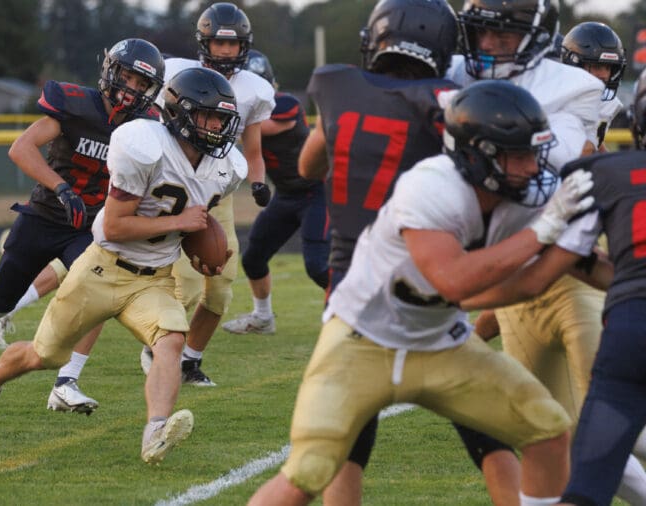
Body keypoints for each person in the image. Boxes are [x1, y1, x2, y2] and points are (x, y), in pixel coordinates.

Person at [248, 79, 599, 506]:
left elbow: (539, 278)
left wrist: (580, 244)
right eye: (519, 155)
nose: (532, 168)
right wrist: (544, 233)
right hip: (362, 342)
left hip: (441, 343)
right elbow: (452, 280)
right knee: (307, 473)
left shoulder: (522, 199)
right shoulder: (432, 185)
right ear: (478, 155)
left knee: (548, 431)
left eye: (534, 152)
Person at [0, 66, 247, 466]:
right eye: (207, 116)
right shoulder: (143, 143)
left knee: (171, 341)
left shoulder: (226, 167)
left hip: (154, 279)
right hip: (102, 269)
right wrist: (180, 223)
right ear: (179, 113)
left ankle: (155, 432)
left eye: (221, 119)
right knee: (44, 356)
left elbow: (193, 223)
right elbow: (115, 225)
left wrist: (202, 254)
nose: (216, 128)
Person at [446, 3, 646, 505]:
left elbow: (584, 180)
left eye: (606, 68)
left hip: (571, 266)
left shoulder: (577, 99)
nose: (598, 76)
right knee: (550, 431)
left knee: (615, 413)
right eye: (591, 64)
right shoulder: (471, 84)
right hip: (526, 266)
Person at [0, 39, 165, 408]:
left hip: (90, 227)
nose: (132, 89)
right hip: (44, 216)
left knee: (99, 294)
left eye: (141, 84)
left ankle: (67, 381)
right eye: (128, 77)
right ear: (111, 71)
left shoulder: (146, 125)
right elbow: (21, 147)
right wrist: (61, 188)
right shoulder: (75, 105)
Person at [296, 0, 459, 502]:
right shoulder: (448, 101)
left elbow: (307, 168)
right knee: (489, 430)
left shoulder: (338, 87)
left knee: (345, 433)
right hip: (424, 275)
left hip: (350, 283)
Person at [140, 1, 276, 386]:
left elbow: (253, 150)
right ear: (205, 43)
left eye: (233, 45)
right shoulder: (178, 73)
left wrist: (258, 182)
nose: (227, 52)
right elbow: (152, 125)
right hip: (178, 187)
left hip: (218, 193)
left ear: (244, 46)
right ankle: (156, 346)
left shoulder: (255, 89)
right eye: (219, 43)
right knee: (186, 284)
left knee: (220, 289)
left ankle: (189, 361)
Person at [221, 49, 329, 336]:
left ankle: (358, 315)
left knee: (318, 265)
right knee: (253, 257)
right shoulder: (240, 113)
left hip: (317, 193)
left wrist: (212, 113)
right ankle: (263, 317)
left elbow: (255, 127)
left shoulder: (286, 105)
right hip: (285, 195)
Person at [561, 21, 627, 150]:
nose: (604, 75)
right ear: (573, 64)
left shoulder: (606, 103)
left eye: (608, 68)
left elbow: (592, 144)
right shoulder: (552, 95)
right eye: (597, 66)